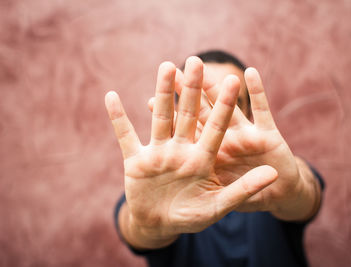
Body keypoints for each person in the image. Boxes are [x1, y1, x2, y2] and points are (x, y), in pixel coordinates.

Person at [105, 50, 324, 267]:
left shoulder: (277, 169)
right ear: (179, 110)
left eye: (230, 103)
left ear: (247, 113)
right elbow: (133, 225)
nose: (212, 116)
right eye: (198, 100)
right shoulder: (158, 187)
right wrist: (149, 228)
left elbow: (306, 192)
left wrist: (294, 191)